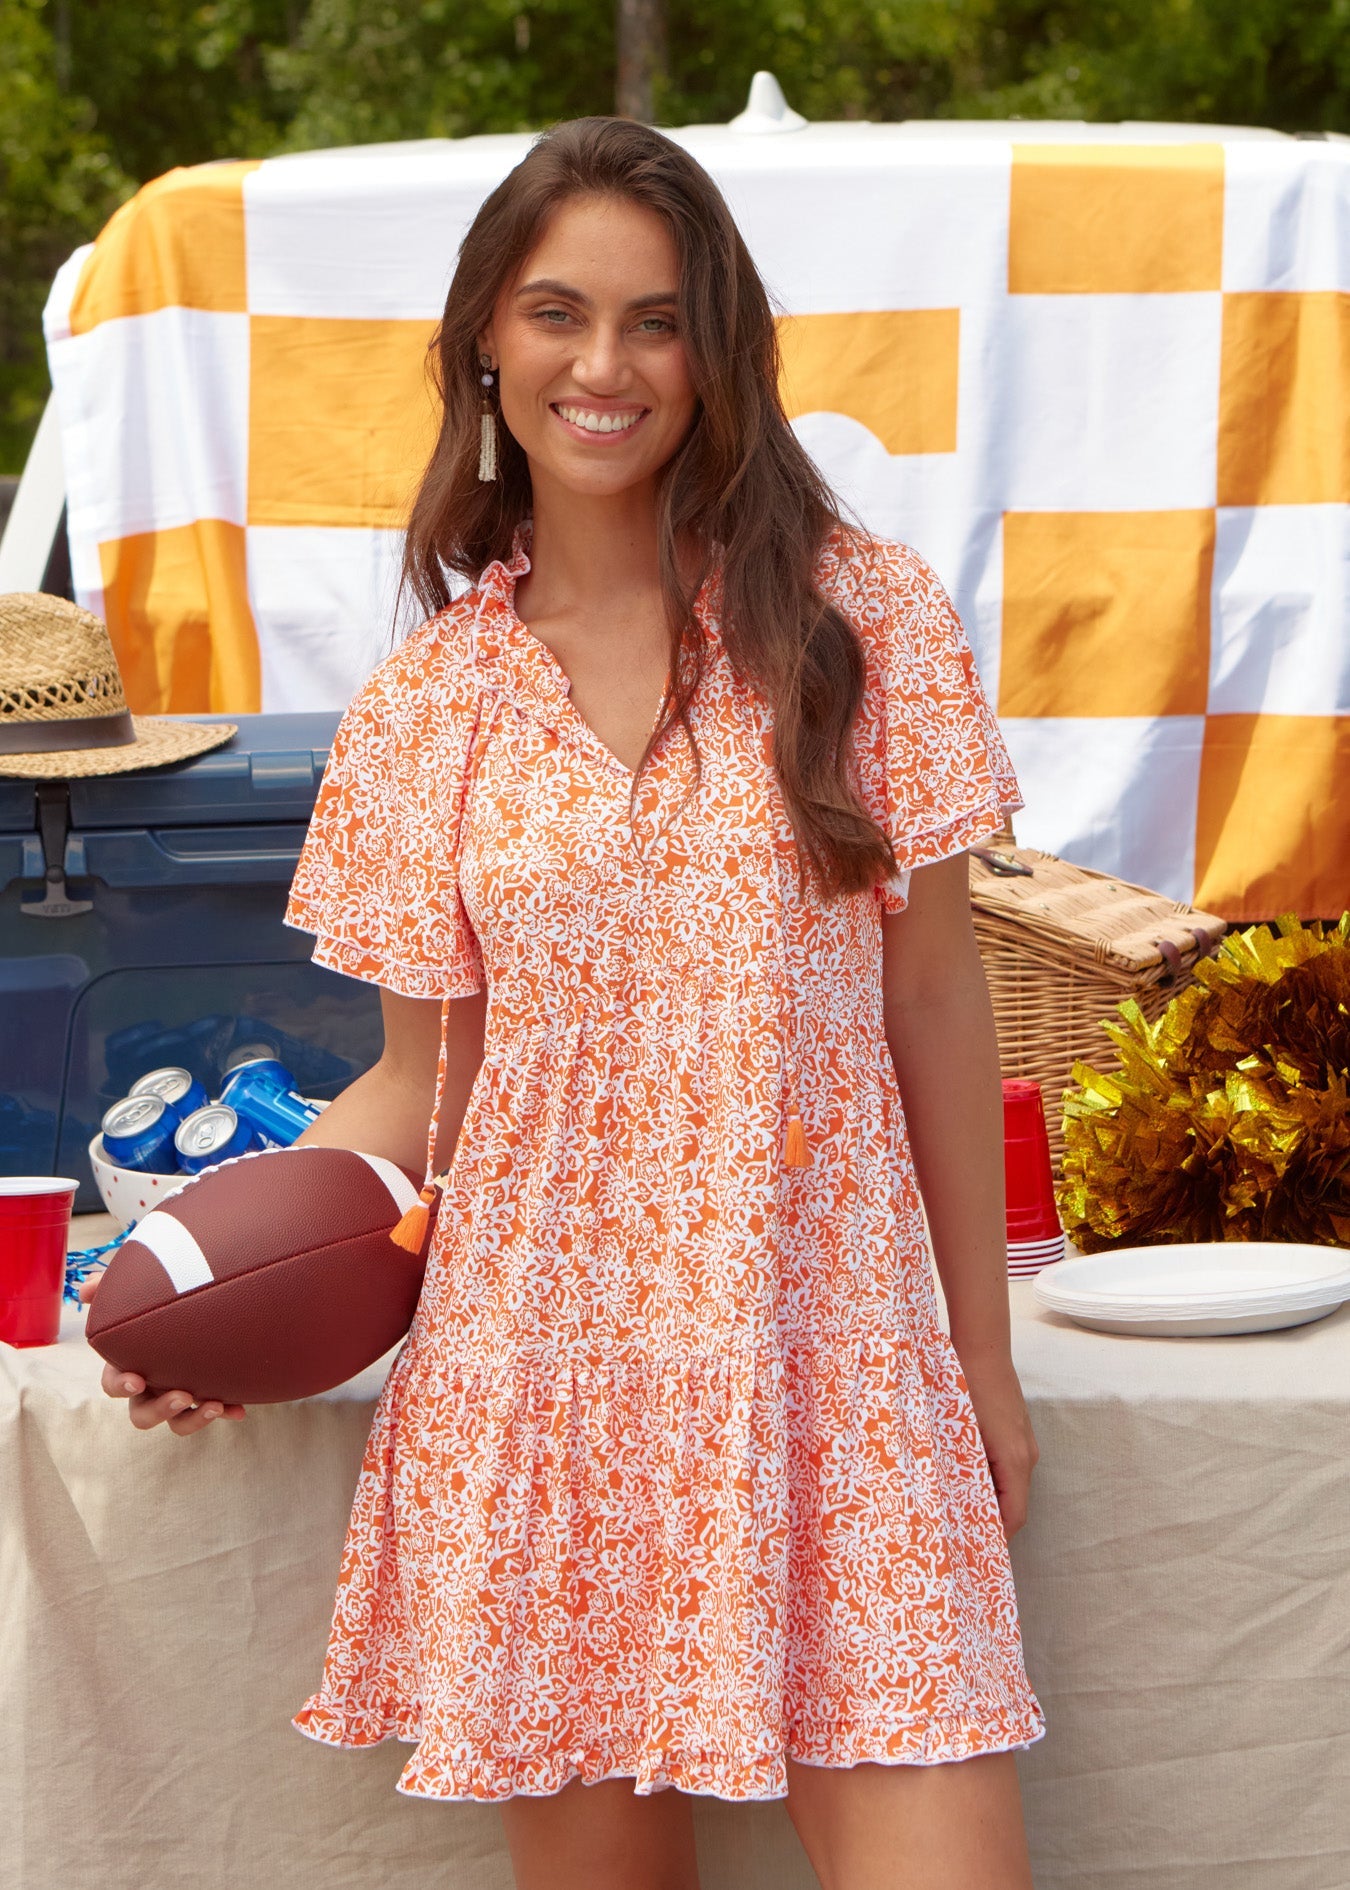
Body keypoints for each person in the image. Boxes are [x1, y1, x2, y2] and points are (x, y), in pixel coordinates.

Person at [88, 116, 1045, 1890]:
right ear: (487, 346)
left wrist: (977, 1358)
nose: (603, 366)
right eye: (557, 313)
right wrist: (203, 1295)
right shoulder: (422, 712)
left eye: (656, 321)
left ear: (717, 353)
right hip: (546, 1388)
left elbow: (934, 1003)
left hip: (833, 1364)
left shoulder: (867, 623)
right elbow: (414, 1087)